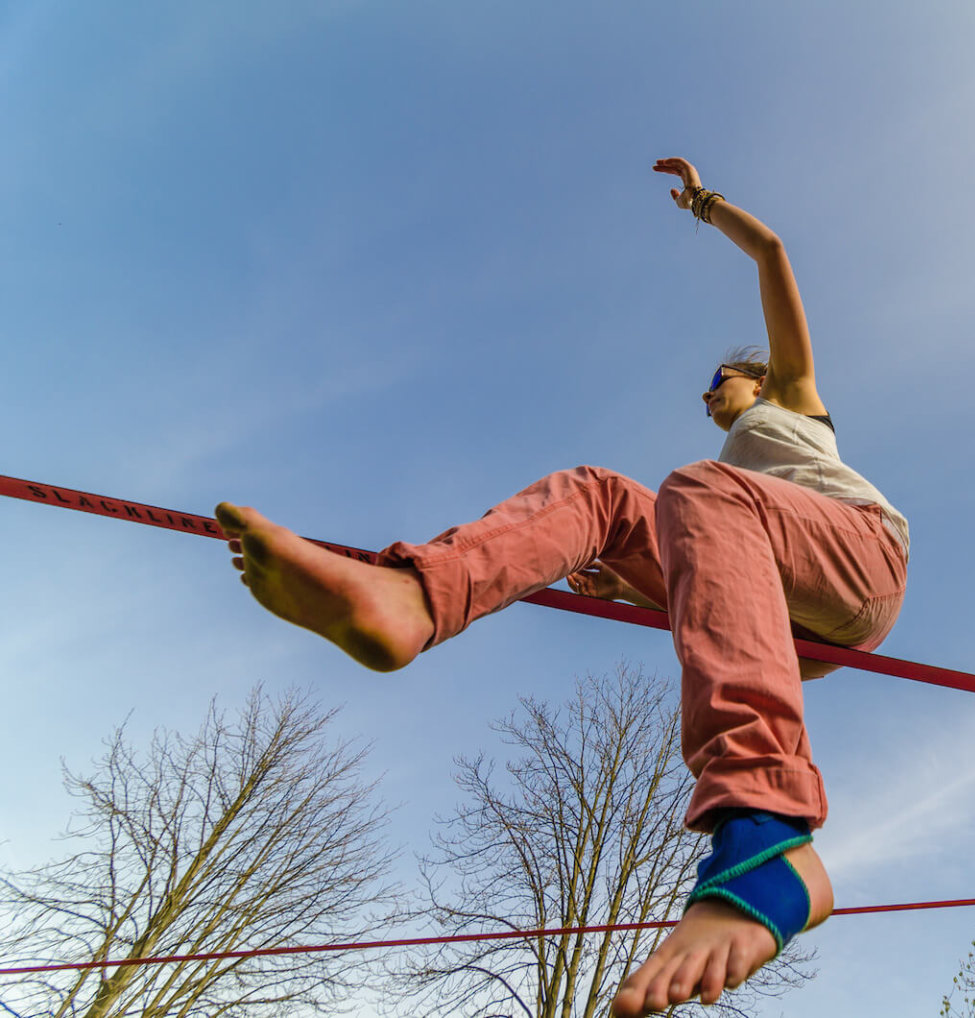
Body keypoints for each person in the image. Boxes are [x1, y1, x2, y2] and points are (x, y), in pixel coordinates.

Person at [214, 157, 909, 1015]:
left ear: (760, 380)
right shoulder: (728, 480)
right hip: (778, 612)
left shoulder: (795, 403)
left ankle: (768, 833)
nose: (707, 394)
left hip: (859, 566)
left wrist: (703, 204)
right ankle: (417, 596)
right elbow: (717, 582)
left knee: (692, 488)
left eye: (719, 381)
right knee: (605, 496)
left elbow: (771, 254)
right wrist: (624, 581)